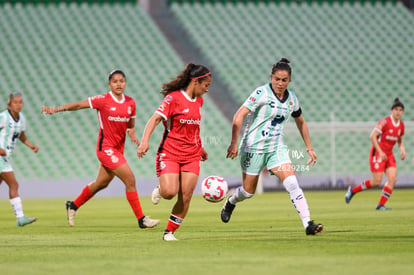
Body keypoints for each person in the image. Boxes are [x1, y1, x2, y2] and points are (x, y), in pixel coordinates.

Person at [41, 70, 159, 228]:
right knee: (130, 179)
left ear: (125, 83)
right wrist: (56, 109)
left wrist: (133, 137)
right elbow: (78, 105)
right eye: (115, 81)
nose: (119, 84)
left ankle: (73, 205)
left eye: (121, 81)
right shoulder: (102, 100)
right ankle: (141, 220)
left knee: (101, 183)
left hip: (118, 150)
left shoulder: (130, 103)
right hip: (106, 148)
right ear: (109, 84)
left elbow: (130, 127)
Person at [222, 58, 323, 235]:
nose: (280, 83)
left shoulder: (292, 99)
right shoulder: (261, 93)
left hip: (276, 149)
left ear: (289, 80)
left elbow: (301, 121)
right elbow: (239, 116)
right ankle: (231, 202)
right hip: (253, 148)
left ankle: (308, 224)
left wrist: (309, 148)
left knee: (292, 182)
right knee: (248, 192)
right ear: (271, 77)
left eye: (284, 80)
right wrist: (233, 142)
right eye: (277, 79)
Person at [137, 63, 211, 241]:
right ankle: (161, 188)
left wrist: (200, 148)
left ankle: (169, 232)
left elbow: (194, 129)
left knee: (186, 196)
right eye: (206, 85)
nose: (207, 90)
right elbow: (155, 119)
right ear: (195, 82)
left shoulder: (199, 101)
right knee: (170, 192)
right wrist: (145, 141)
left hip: (191, 154)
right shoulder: (173, 98)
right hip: (170, 152)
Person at [345, 98, 405, 210]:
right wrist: (381, 152)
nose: (398, 112)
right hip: (378, 153)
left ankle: (381, 204)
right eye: (396, 109)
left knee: (392, 179)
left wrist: (402, 149)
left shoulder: (401, 125)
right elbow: (372, 136)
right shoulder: (385, 122)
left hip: (389, 154)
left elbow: (399, 139)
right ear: (392, 111)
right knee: (376, 181)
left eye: (401, 110)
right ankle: (353, 190)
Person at [0, 92, 38, 227]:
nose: (18, 105)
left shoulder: (21, 118)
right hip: (0, 157)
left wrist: (30, 145)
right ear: (9, 104)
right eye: (15, 102)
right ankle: (20, 217)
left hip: (5, 157)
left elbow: (21, 134)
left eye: (20, 102)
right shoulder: (3, 117)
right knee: (14, 184)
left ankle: (20, 218)